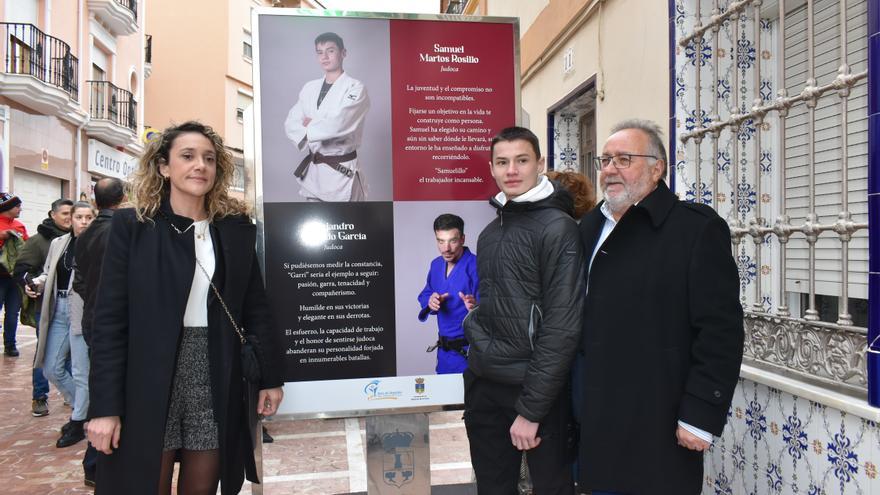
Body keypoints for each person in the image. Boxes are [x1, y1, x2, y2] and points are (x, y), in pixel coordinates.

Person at [86, 121, 284, 495]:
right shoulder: (133, 227)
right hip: (146, 375)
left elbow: (256, 306)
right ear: (163, 166)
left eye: (209, 159)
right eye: (188, 156)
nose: (200, 166)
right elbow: (109, 321)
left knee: (204, 484)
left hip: (214, 367)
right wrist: (105, 407)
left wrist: (270, 377)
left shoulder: (234, 228)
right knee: (146, 481)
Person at [576, 119, 744, 495]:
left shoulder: (694, 230)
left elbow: (720, 331)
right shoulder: (588, 227)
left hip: (659, 420)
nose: (609, 169)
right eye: (604, 160)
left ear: (657, 167)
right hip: (596, 416)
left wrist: (700, 414)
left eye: (624, 158)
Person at [463, 126, 585, 495]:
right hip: (486, 387)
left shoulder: (558, 227)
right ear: (492, 169)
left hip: (535, 392)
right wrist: (473, 328)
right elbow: (491, 307)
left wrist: (531, 410)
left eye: (521, 160)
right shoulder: (490, 232)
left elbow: (563, 326)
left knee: (550, 488)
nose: (511, 170)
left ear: (539, 164)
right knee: (493, 488)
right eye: (502, 162)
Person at [27, 201, 95, 448]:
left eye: (89, 217)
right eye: (79, 217)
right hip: (57, 308)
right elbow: (48, 273)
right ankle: (85, 409)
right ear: (71, 219)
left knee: (80, 370)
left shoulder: (98, 243)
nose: (84, 222)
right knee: (50, 367)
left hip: (82, 311)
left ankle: (78, 420)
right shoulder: (59, 243)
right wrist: (36, 283)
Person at [73, 177, 125, 487]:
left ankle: (94, 465)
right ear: (124, 197)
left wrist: (95, 297)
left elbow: (79, 281)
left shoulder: (85, 234)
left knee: (100, 385)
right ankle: (96, 463)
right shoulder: (123, 231)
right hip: (113, 323)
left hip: (93, 320)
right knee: (109, 392)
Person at [284, 31, 370, 202]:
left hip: (342, 173)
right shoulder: (309, 88)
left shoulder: (355, 88)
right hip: (314, 175)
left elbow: (340, 123)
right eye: (319, 52)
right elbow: (291, 122)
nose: (324, 56)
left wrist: (310, 123)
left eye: (330, 50)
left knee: (348, 225)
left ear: (343, 53)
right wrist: (320, 124)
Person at [14, 198, 73, 416]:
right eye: (64, 213)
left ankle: (71, 394)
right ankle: (39, 397)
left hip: (74, 307)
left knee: (72, 357)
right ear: (53, 214)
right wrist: (30, 284)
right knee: (45, 354)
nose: (69, 218)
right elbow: (21, 269)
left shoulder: (78, 239)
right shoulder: (40, 241)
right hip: (48, 307)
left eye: (72, 213)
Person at [417, 214, 478, 374]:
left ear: (463, 239)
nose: (446, 248)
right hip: (444, 353)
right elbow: (426, 293)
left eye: (453, 240)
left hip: (471, 352)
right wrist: (431, 302)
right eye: (440, 241)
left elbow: (496, 307)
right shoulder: (436, 265)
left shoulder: (476, 266)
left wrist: (476, 307)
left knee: (470, 397)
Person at [0, 193, 28, 356]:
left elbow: (26, 248)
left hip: (14, 279)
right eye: (17, 206)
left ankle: (10, 345)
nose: (20, 209)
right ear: (7, 208)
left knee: (12, 313)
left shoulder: (19, 226)